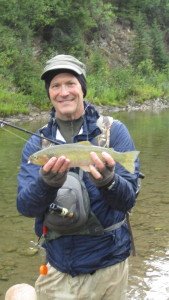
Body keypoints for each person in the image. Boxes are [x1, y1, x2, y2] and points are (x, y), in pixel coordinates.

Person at [16, 54, 140, 299]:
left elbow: (129, 200)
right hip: (58, 267)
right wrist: (46, 183)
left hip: (110, 267)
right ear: (49, 93)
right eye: (55, 86)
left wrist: (109, 182)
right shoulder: (36, 145)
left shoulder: (114, 132)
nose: (64, 92)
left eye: (70, 83)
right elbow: (25, 206)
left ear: (82, 88)